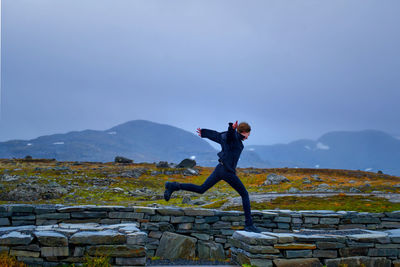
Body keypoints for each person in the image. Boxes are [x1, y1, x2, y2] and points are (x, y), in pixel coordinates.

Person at [163, 121, 261, 233]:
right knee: (244, 194)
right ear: (244, 132)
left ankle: (173, 186)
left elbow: (218, 136)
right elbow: (230, 136)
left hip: (220, 168)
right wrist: (231, 128)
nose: (248, 137)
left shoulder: (232, 138)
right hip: (227, 172)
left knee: (201, 189)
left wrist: (204, 132)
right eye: (248, 134)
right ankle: (249, 225)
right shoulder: (233, 138)